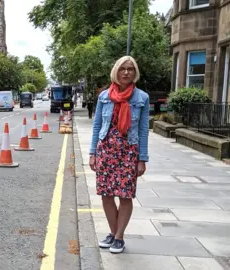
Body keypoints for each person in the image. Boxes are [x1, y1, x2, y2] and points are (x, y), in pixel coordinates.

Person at [89, 55, 150, 254]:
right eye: (123, 68)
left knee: (125, 196)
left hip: (128, 151)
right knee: (106, 195)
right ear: (116, 71)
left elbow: (143, 130)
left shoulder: (141, 98)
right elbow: (97, 125)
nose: (126, 72)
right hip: (106, 150)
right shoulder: (104, 96)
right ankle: (113, 233)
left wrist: (142, 158)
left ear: (135, 73)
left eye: (130, 69)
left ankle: (119, 236)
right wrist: (92, 153)